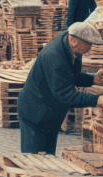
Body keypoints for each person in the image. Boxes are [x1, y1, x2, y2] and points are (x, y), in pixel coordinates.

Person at [18, 22, 103, 154]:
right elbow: (66, 95)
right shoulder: (55, 58)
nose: (90, 48)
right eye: (88, 44)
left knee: (48, 158)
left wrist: (92, 79)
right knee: (34, 161)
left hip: (50, 116)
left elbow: (69, 76)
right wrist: (96, 100)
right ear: (74, 40)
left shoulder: (69, 47)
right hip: (36, 115)